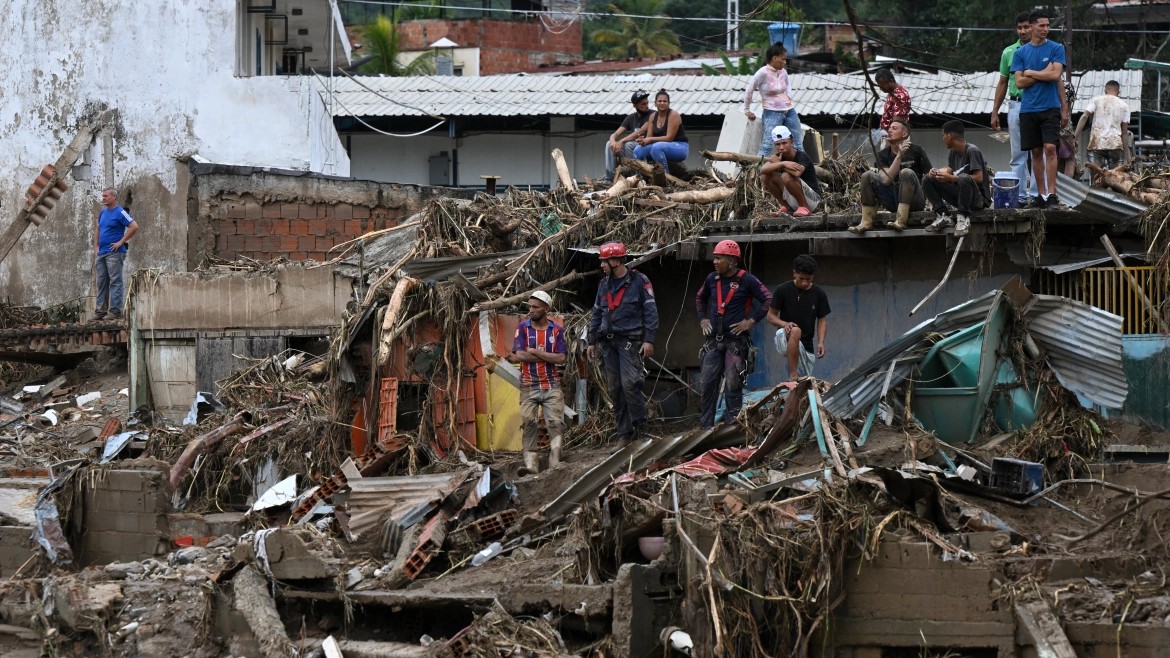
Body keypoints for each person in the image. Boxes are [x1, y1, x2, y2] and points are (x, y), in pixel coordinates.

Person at [695, 240, 772, 429]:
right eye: (714, 258)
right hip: (713, 341)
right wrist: (702, 319)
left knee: (733, 386)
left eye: (718, 258)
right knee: (707, 385)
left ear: (731, 260)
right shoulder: (711, 279)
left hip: (735, 343)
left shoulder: (747, 279)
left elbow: (767, 298)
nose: (714, 261)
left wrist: (751, 321)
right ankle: (705, 429)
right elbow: (700, 297)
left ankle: (732, 429)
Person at [587, 242, 659, 442]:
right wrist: (592, 341)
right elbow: (596, 313)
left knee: (630, 384)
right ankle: (623, 433)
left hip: (630, 342)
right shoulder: (603, 285)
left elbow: (651, 312)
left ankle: (641, 428)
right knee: (615, 388)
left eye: (604, 261)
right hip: (608, 344)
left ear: (616, 261)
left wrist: (649, 340)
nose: (601, 265)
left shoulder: (639, 281)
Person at [1012, 10, 1070, 209]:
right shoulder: (1020, 52)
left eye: (1048, 25)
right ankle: (1040, 196)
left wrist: (1065, 108)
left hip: (1050, 107)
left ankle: (1052, 194)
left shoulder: (1056, 48)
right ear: (1033, 26)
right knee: (1035, 151)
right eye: (1042, 25)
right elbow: (1019, 82)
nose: (1046, 29)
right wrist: (1044, 73)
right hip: (1028, 109)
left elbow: (1056, 77)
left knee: (1051, 148)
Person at [507, 291, 567, 473]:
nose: (531, 310)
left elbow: (561, 358)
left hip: (552, 385)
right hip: (528, 385)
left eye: (535, 307)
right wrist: (546, 356)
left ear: (546, 309)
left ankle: (554, 465)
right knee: (530, 424)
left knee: (555, 424)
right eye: (530, 307)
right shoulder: (523, 328)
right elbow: (518, 356)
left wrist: (536, 352)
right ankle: (531, 466)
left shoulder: (556, 331)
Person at [850, 118, 932, 234]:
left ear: (904, 134)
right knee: (867, 175)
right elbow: (885, 180)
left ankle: (901, 220)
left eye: (894, 128)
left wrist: (932, 203)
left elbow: (929, 177)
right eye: (889, 128)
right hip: (893, 200)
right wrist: (899, 156)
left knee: (906, 172)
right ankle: (866, 222)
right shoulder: (882, 155)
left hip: (915, 201)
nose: (889, 131)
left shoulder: (917, 151)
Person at [990, 13, 1034, 207]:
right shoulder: (1009, 52)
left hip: (1037, 104)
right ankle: (1020, 197)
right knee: (1018, 154)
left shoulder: (1042, 50)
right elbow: (1002, 83)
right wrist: (994, 111)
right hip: (1016, 104)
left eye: (1026, 27)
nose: (1023, 31)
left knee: (1038, 153)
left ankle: (1037, 196)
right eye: (1020, 28)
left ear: (1033, 27)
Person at [922, 121, 991, 238]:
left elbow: (979, 178)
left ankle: (963, 218)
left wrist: (952, 178)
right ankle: (943, 215)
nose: (943, 139)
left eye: (943, 135)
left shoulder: (972, 150)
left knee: (964, 178)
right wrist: (936, 172)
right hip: (961, 198)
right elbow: (949, 171)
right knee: (927, 179)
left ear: (949, 136)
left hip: (977, 200)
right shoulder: (953, 152)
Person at [766, 255, 830, 381]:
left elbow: (822, 320)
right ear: (794, 273)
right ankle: (793, 374)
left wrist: (821, 342)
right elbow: (770, 316)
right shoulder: (782, 290)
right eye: (801, 278)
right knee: (795, 330)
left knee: (803, 386)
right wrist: (785, 324)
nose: (805, 282)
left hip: (806, 345)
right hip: (784, 336)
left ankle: (796, 391)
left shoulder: (819, 293)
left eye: (809, 279)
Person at [743, 43, 803, 158]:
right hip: (772, 112)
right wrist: (746, 110)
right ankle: (756, 172)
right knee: (768, 144)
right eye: (783, 59)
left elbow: (788, 84)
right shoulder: (762, 72)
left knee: (797, 144)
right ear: (774, 58)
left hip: (789, 110)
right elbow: (749, 90)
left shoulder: (783, 71)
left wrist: (789, 97)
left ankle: (803, 171)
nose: (785, 62)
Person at [93, 187, 139, 320]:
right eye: (103, 196)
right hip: (102, 252)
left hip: (115, 252)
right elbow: (98, 228)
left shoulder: (120, 212)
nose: (103, 198)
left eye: (106, 196)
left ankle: (115, 311)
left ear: (113, 197)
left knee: (115, 281)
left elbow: (134, 226)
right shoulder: (102, 213)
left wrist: (121, 242)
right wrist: (96, 246)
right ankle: (100, 312)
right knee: (101, 282)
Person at [760, 125, 821, 217]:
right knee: (766, 176)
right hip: (793, 199)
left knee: (786, 175)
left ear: (792, 142)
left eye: (784, 143)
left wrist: (781, 165)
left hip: (812, 199)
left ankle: (804, 207)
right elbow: (763, 170)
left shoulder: (802, 156)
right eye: (778, 144)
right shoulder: (778, 157)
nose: (781, 147)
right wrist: (782, 164)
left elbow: (797, 173)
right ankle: (785, 207)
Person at [1074, 80, 1131, 169]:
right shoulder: (1124, 106)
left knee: (1096, 178)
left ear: (1105, 91)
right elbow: (1124, 132)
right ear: (1118, 92)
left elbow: (1085, 116)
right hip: (1115, 145)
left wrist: (1075, 137)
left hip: (1096, 144)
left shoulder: (1096, 100)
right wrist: (1127, 155)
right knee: (1115, 179)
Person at [632, 90, 689, 169]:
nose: (662, 103)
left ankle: (664, 176)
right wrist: (643, 141)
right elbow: (649, 138)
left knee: (656, 147)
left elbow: (669, 138)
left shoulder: (673, 115)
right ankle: (641, 178)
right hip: (659, 145)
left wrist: (649, 139)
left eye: (665, 101)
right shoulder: (652, 116)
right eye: (659, 101)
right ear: (655, 103)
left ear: (668, 104)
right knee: (637, 150)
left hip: (680, 147)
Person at [604, 90, 653, 182]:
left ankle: (635, 176)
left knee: (628, 144)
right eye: (643, 104)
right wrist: (614, 142)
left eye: (647, 103)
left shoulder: (652, 115)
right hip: (632, 151)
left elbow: (642, 131)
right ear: (635, 106)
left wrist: (621, 141)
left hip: (646, 148)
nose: (646, 106)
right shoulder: (631, 118)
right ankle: (609, 177)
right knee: (609, 144)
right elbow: (614, 134)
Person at [874, 68, 912, 146]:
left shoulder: (900, 95)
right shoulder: (892, 93)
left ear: (891, 81)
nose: (881, 88)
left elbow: (897, 124)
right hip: (888, 136)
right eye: (879, 86)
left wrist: (890, 143)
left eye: (883, 85)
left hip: (895, 139)